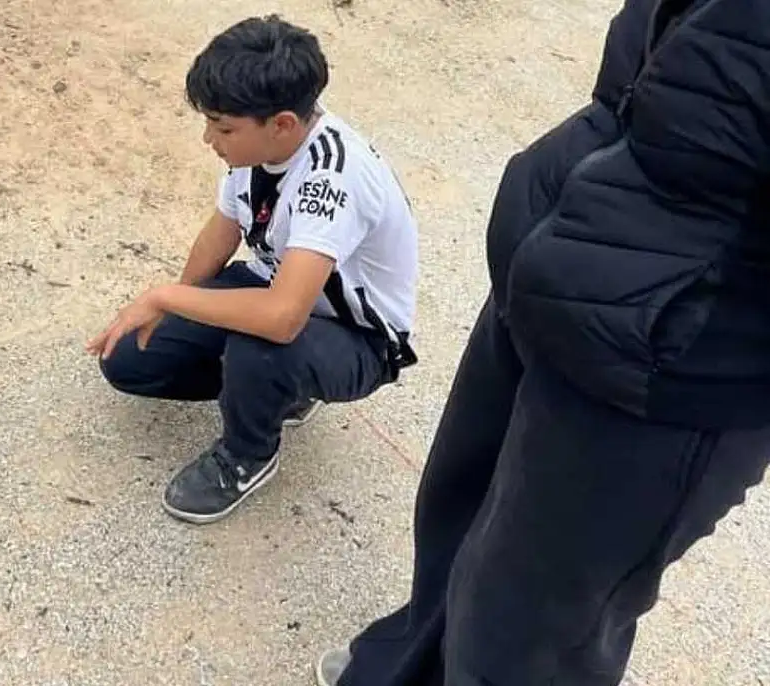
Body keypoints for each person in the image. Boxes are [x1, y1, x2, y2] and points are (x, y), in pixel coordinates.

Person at [313, 0, 770, 683]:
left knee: (526, 633)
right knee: (457, 511)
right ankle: (410, 664)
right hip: (553, 263)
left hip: (668, 363)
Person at [88, 15, 419, 525]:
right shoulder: (257, 151)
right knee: (132, 359)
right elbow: (221, 233)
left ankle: (247, 454)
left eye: (222, 127)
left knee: (261, 347)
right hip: (276, 285)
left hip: (356, 335)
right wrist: (177, 306)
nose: (209, 139)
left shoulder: (333, 178)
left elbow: (282, 318)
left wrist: (163, 297)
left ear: (282, 123)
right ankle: (276, 390)